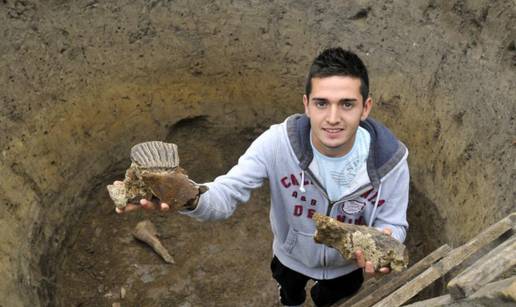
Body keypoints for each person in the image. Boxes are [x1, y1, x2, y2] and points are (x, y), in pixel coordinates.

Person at [117, 47, 409, 307]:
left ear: (365, 107)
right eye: (322, 103)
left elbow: (393, 222)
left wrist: (387, 244)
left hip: (347, 268)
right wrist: (189, 196)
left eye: (347, 104)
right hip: (289, 256)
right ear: (306, 104)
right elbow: (226, 193)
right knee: (290, 293)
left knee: (332, 299)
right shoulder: (276, 144)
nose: (333, 117)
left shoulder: (390, 161)